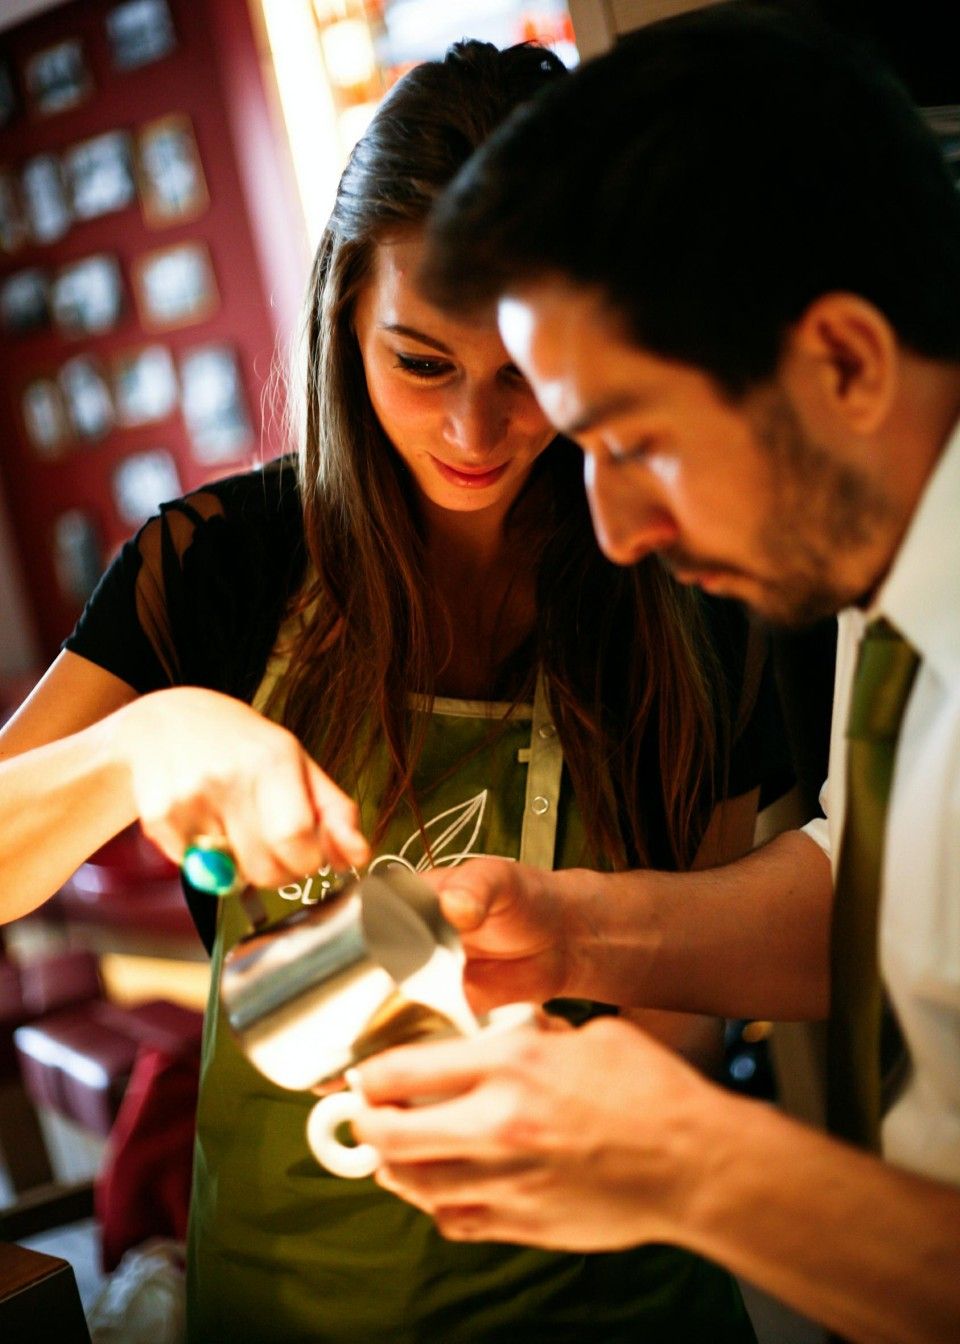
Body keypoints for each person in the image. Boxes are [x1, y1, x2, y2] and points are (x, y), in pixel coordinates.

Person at [0, 39, 793, 1344]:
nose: (474, 436)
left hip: (614, 1295)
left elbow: (710, 976)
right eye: (419, 362)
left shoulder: (688, 580)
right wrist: (143, 743)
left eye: (525, 379)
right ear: (343, 320)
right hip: (298, 1300)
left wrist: (575, 1091)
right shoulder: (217, 568)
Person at [344, 8, 960, 1344]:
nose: (615, 528)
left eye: (634, 440)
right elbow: (887, 882)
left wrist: (691, 1165)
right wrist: (573, 928)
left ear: (844, 362)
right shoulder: (885, 554)